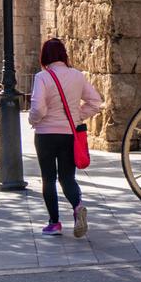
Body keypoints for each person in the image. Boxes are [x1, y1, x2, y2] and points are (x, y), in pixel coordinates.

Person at [28, 39, 103, 237]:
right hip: (69, 134)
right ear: (64, 55)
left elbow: (37, 108)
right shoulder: (77, 76)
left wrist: (34, 120)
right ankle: (78, 207)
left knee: (48, 179)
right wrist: (78, 115)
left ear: (44, 56)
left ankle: (54, 223)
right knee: (67, 177)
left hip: (45, 134)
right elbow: (95, 102)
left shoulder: (42, 77)